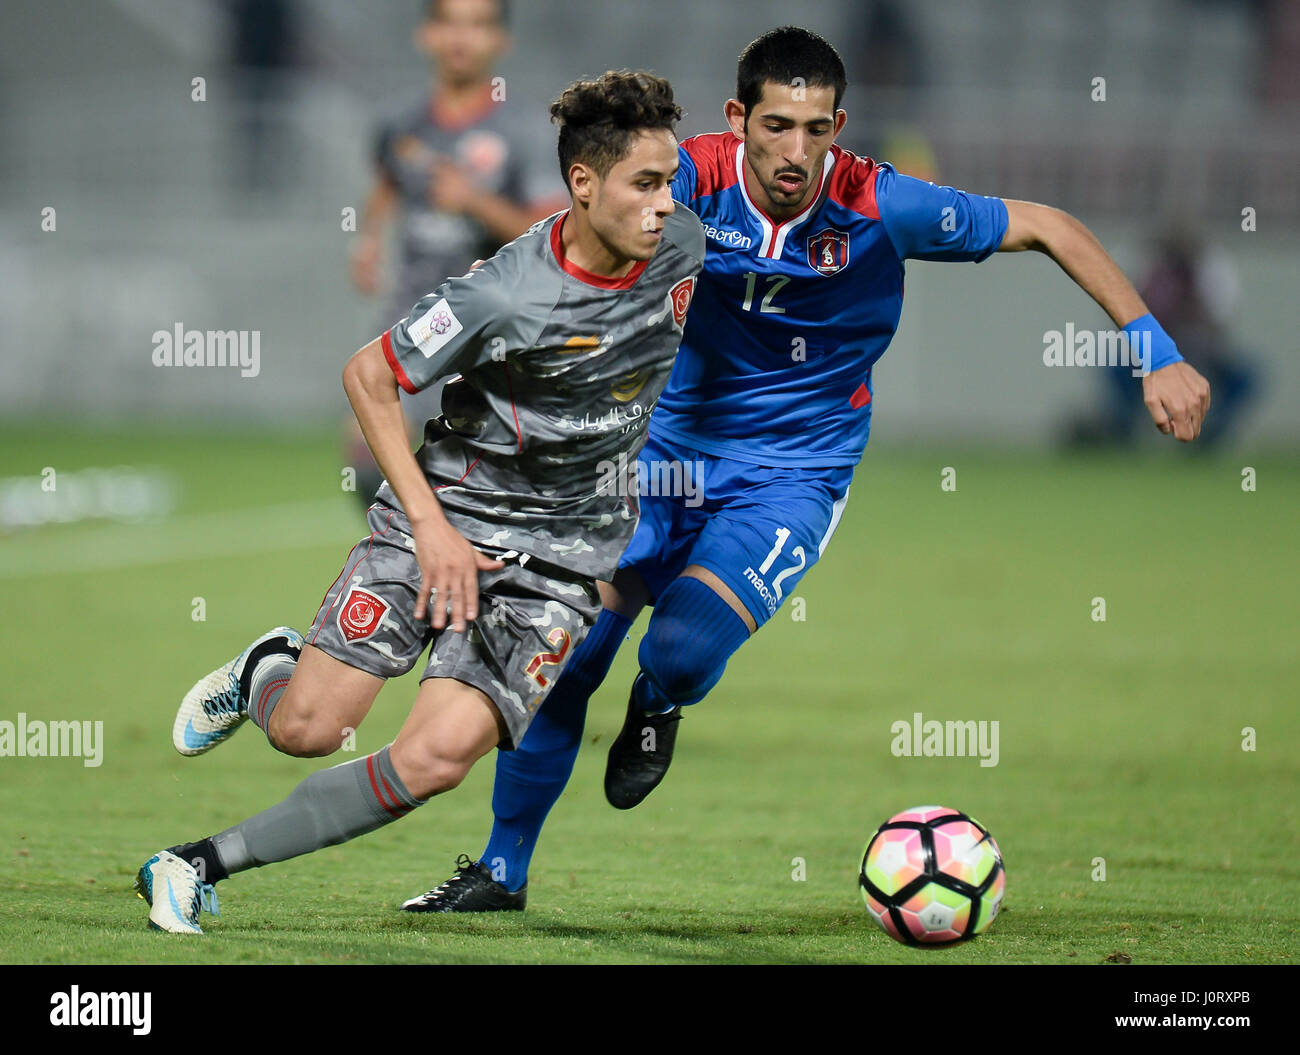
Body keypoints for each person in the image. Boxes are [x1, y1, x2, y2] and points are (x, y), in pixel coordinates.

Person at [404, 26, 1212, 913]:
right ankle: (501, 869)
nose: (796, 152)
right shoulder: (691, 178)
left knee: (679, 644)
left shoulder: (882, 205)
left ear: (840, 126)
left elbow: (1049, 226)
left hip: (794, 471)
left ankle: (660, 700)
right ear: (737, 118)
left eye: (816, 129)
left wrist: (1156, 350)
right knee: (564, 653)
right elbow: (584, 231)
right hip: (661, 452)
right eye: (776, 126)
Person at [134, 70, 705, 934]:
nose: (668, 204)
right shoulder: (504, 292)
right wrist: (432, 527)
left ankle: (192, 863)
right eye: (647, 184)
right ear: (582, 184)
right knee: (308, 729)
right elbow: (368, 374)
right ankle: (266, 675)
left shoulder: (684, 244)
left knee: (434, 760)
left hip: (562, 561)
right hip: (445, 520)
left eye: (671, 183)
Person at [346, 0, 567, 507]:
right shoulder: (402, 122)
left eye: (478, 25)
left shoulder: (524, 130)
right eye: (450, 23)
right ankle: (417, 564)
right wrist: (368, 242)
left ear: (500, 41)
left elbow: (549, 230)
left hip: (485, 322)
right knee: (367, 463)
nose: (462, 38)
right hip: (409, 309)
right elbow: (385, 183)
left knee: (469, 478)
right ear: (427, 34)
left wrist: (474, 202)